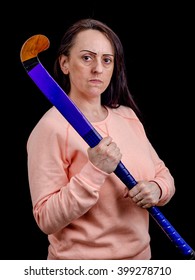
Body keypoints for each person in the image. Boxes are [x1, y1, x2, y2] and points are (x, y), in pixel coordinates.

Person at [27, 18, 175, 260]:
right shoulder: (50, 128)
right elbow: (46, 219)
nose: (98, 68)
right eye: (87, 58)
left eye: (106, 60)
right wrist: (95, 170)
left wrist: (157, 189)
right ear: (65, 63)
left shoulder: (127, 117)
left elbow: (163, 173)